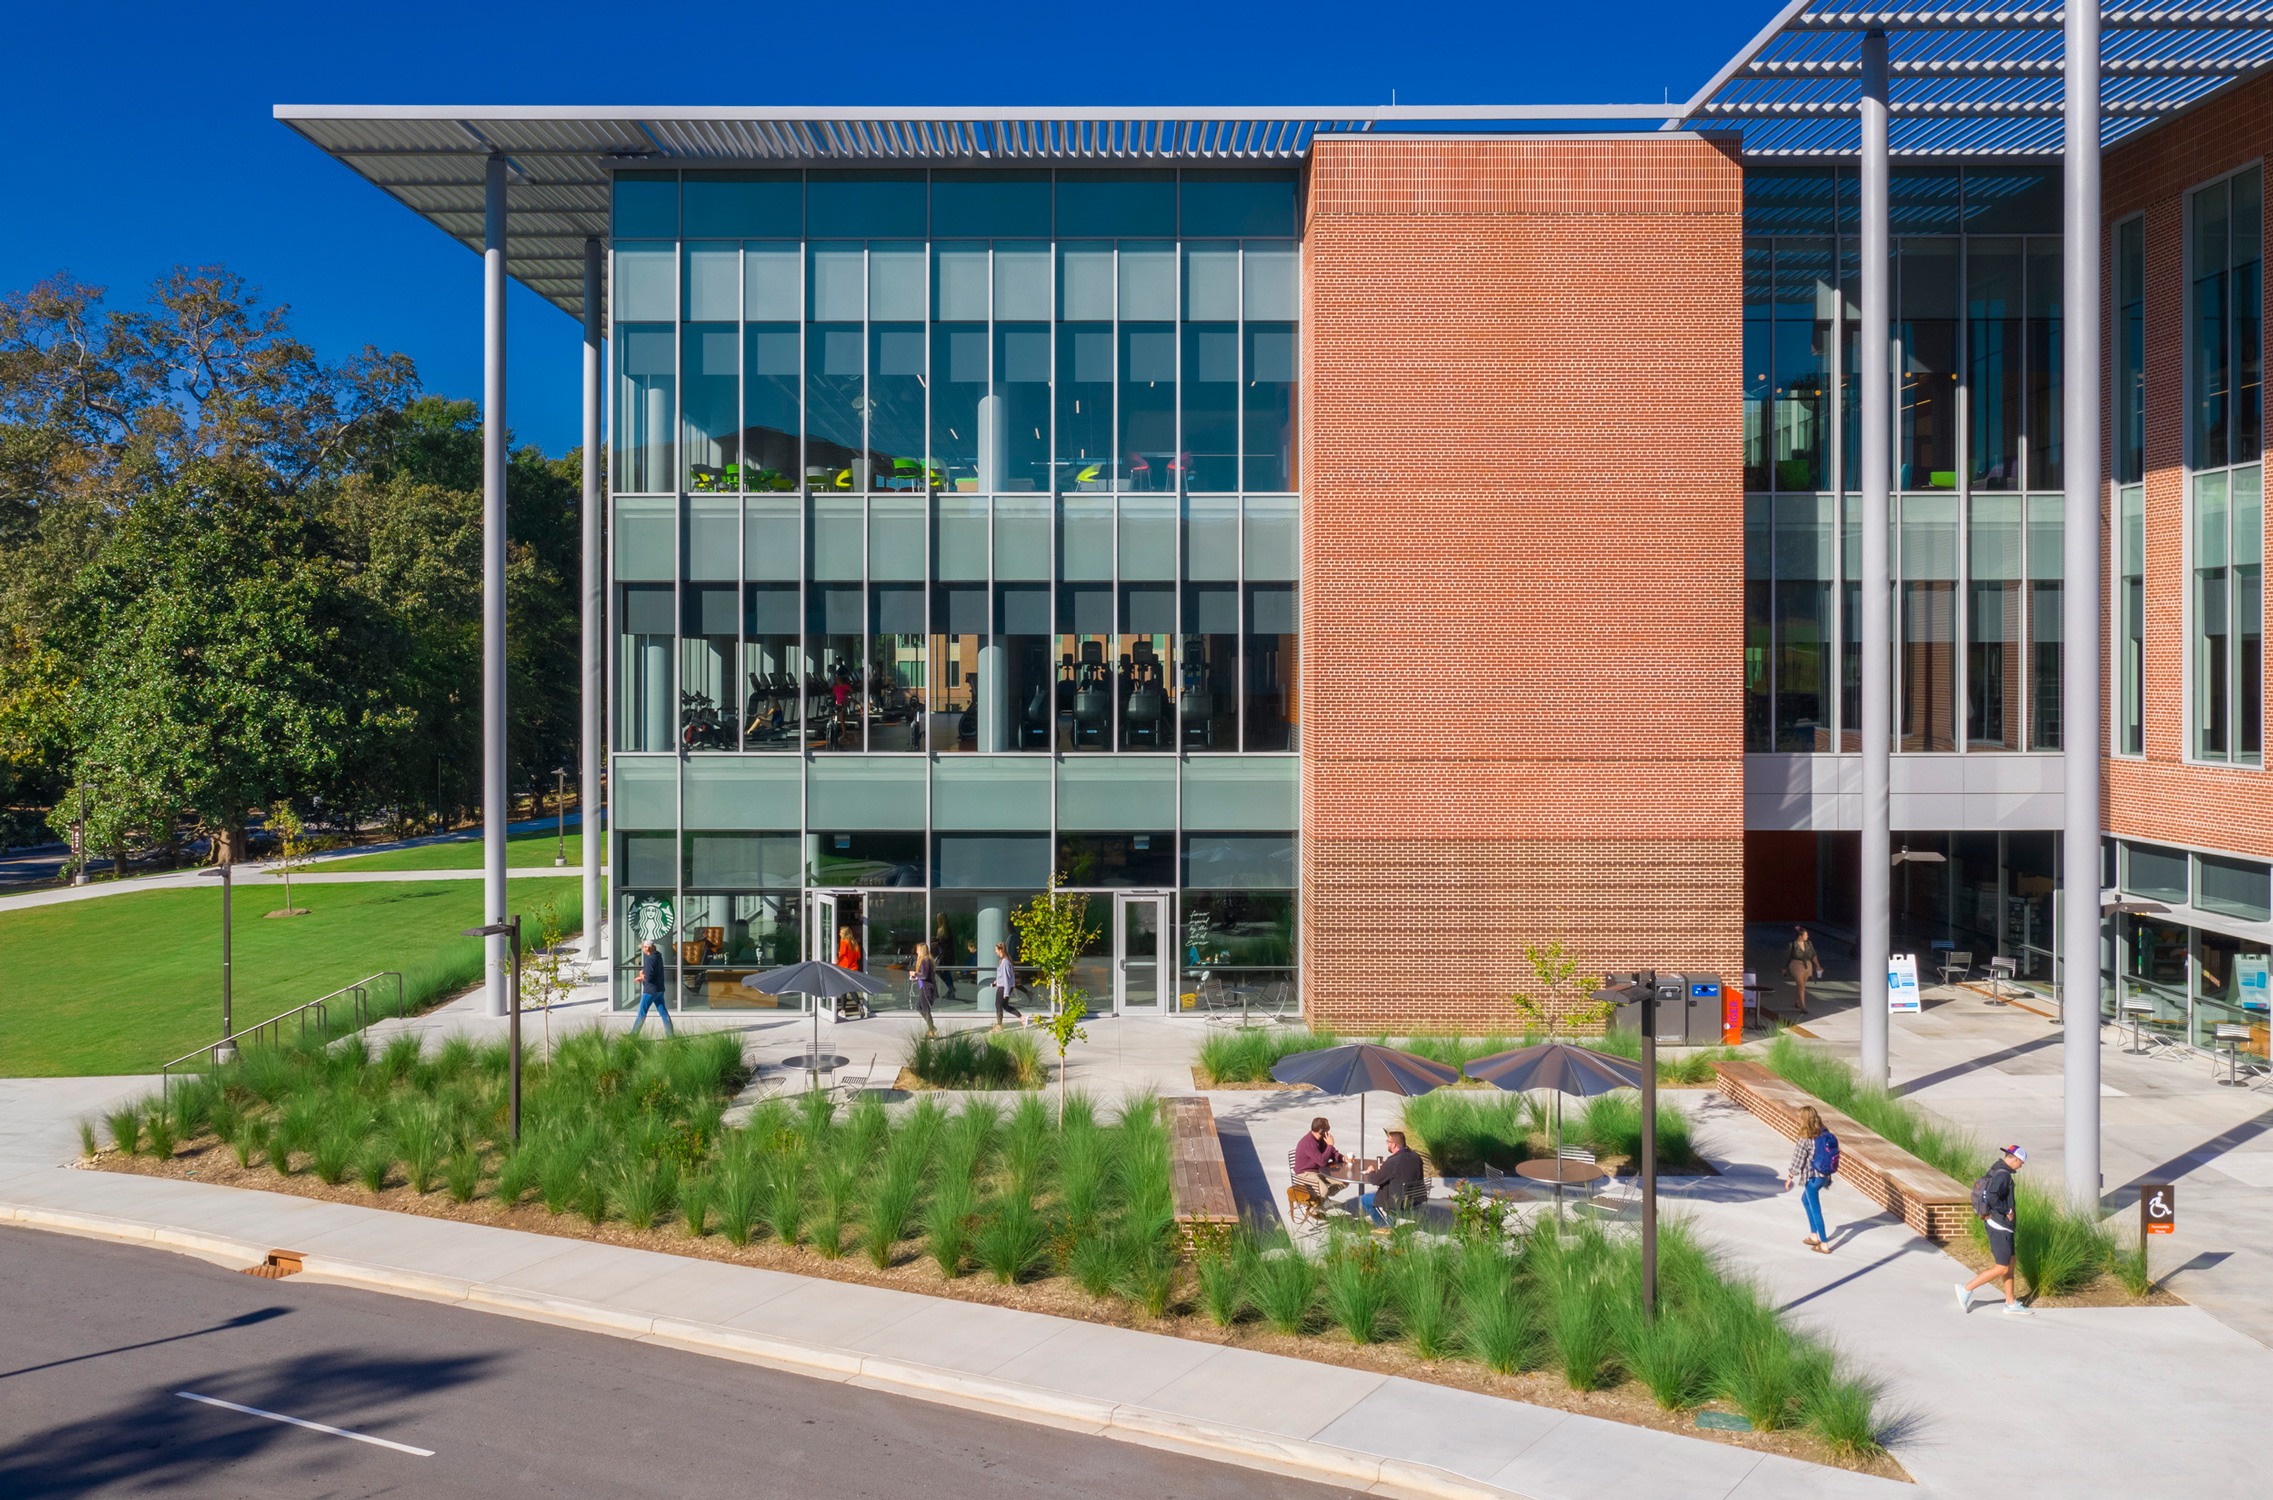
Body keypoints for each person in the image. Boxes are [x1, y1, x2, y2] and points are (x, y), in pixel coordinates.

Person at [1958, 1145, 2031, 1315]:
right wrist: (2006, 1211)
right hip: (1999, 1225)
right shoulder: (2003, 1175)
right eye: (2021, 1163)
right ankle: (1966, 1289)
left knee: (2010, 1263)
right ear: (2015, 1159)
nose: (2020, 1166)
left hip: (2002, 1225)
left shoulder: (1996, 1169)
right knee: (2002, 1267)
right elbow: (1991, 1196)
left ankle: (2010, 1303)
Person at [1782, 1104, 1838, 1253]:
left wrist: (1790, 1177)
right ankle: (1814, 1235)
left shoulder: (1805, 1137)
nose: (1798, 1119)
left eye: (1800, 1117)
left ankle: (1824, 1243)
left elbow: (1798, 1160)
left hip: (1812, 1178)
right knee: (1805, 1200)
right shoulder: (1824, 1132)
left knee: (1816, 1209)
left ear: (1804, 1119)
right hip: (1824, 1176)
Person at [1359, 1130, 1426, 1226]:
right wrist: (1386, 1168)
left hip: (1397, 1203)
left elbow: (1375, 1180)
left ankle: (1383, 1226)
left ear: (1394, 1145)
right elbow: (1403, 1172)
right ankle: (1388, 1224)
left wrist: (1371, 1172)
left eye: (1388, 1142)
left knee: (1365, 1199)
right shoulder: (1416, 1157)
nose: (1387, 1144)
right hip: (1416, 1200)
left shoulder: (1393, 1161)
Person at [1292, 1116, 1346, 1201]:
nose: (1328, 1131)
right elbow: (1322, 1162)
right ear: (1321, 1130)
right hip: (1305, 1173)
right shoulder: (1308, 1142)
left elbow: (1331, 1153)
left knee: (1344, 1182)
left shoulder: (1321, 1139)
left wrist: (1343, 1158)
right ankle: (1315, 1210)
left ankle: (1320, 1200)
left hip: (1319, 1171)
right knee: (1323, 1190)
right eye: (1327, 1128)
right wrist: (1330, 1145)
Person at [632, 939, 675, 1037]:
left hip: (650, 991)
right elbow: (653, 972)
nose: (642, 949)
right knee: (664, 1013)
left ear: (647, 948)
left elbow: (649, 977)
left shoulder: (650, 958)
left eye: (643, 947)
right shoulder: (658, 956)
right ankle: (670, 1036)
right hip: (659, 990)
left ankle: (633, 1035)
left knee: (642, 1013)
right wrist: (642, 977)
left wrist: (641, 976)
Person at [1785, 925, 1824, 1014]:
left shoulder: (1809, 944)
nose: (1807, 936)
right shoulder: (1793, 944)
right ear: (1800, 936)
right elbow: (1787, 957)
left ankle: (1797, 1001)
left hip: (1807, 965)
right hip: (1796, 965)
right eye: (1806, 935)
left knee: (1802, 984)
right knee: (1801, 985)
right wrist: (1785, 968)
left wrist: (1818, 965)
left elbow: (1813, 955)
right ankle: (1803, 1006)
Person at [991, 941, 1029, 1030]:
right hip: (1003, 985)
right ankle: (1022, 1018)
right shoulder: (1003, 961)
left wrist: (1006, 992)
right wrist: (996, 982)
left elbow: (1007, 978)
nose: (995, 951)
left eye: (996, 950)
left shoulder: (1005, 962)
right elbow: (1003, 976)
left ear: (1000, 950)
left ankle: (999, 1026)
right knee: (1005, 1006)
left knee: (998, 1005)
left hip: (1004, 987)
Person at [911, 941, 938, 1035]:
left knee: (925, 1009)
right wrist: (916, 976)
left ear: (922, 950)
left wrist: (915, 974)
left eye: (918, 949)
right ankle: (932, 1028)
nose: (916, 951)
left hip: (927, 988)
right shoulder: (926, 960)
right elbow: (924, 975)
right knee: (919, 1007)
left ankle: (932, 1030)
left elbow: (924, 975)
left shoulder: (925, 960)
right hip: (924, 987)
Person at [933, 915, 959, 1001]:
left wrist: (938, 943)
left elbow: (946, 942)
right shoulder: (941, 930)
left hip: (946, 954)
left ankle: (950, 987)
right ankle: (950, 987)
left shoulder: (946, 930)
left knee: (943, 970)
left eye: (938, 919)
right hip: (942, 954)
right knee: (940, 970)